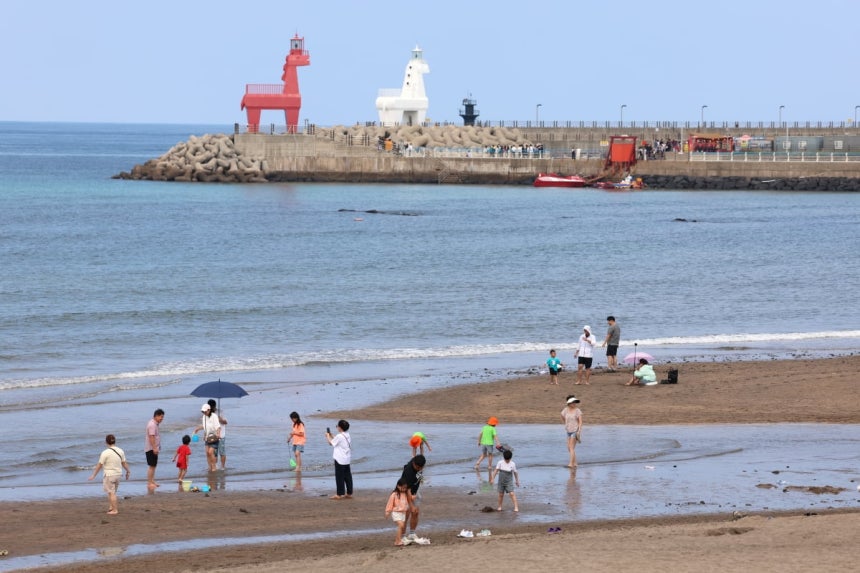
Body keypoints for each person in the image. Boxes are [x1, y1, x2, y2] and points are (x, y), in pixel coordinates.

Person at [88, 434, 131, 515]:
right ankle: (111, 507)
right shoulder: (120, 451)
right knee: (111, 492)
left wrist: (93, 475)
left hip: (109, 475)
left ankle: (115, 510)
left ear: (106, 442)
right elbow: (124, 463)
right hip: (118, 474)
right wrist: (128, 471)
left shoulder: (105, 453)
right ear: (115, 441)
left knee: (111, 493)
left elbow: (99, 465)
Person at [400, 454, 426, 540]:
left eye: (421, 468)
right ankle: (402, 536)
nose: (419, 469)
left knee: (416, 512)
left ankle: (412, 533)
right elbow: (407, 490)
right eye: (417, 467)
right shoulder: (409, 472)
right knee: (405, 515)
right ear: (414, 464)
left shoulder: (419, 463)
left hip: (414, 492)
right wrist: (411, 505)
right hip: (405, 492)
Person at [326, 419, 352, 499]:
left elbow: (331, 443)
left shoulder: (339, 436)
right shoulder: (347, 435)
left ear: (340, 428)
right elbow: (337, 440)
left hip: (339, 459)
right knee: (347, 476)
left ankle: (339, 494)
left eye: (337, 426)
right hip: (346, 459)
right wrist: (331, 435)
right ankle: (349, 493)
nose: (337, 427)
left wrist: (327, 436)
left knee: (339, 477)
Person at [385, 478, 414, 547]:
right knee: (401, 525)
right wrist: (387, 511)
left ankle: (397, 540)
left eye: (405, 488)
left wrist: (413, 497)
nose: (404, 489)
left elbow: (409, 499)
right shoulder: (394, 494)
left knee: (401, 527)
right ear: (398, 486)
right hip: (396, 513)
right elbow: (390, 503)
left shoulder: (405, 494)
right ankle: (398, 541)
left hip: (403, 513)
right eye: (403, 487)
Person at [194, 402, 221, 472]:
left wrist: (218, 434)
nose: (204, 413)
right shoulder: (204, 417)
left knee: (210, 452)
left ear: (209, 410)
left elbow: (218, 426)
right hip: (207, 438)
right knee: (207, 453)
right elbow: (205, 426)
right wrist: (198, 429)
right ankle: (210, 467)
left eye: (205, 411)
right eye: (203, 411)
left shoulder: (214, 416)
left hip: (214, 437)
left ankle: (214, 467)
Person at [145, 408, 164, 490]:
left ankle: (152, 481)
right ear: (156, 416)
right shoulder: (152, 424)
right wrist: (154, 448)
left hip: (153, 448)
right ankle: (149, 483)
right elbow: (151, 437)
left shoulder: (154, 423)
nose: (162, 419)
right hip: (151, 448)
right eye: (161, 417)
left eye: (162, 417)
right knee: (151, 466)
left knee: (154, 465)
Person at [561, 396, 583, 468]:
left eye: (575, 403)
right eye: (573, 403)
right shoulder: (565, 410)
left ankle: (571, 464)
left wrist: (579, 430)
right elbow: (562, 416)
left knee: (571, 447)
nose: (574, 404)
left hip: (575, 430)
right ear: (569, 403)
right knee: (569, 448)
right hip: (568, 430)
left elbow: (580, 421)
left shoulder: (577, 411)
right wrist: (566, 424)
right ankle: (575, 463)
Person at [208, 399, 228, 470]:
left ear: (214, 406)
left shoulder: (221, 412)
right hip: (213, 436)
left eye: (211, 407)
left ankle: (222, 467)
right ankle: (215, 467)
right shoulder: (209, 413)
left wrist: (220, 420)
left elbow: (226, 422)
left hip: (221, 435)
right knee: (214, 453)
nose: (210, 409)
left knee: (222, 452)